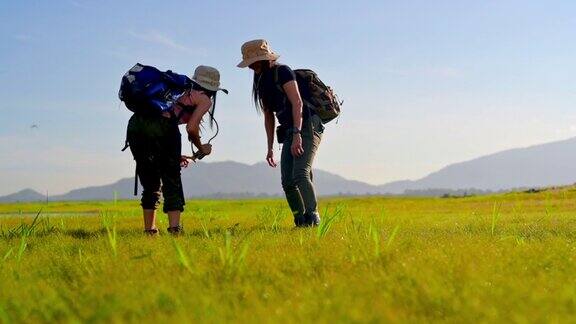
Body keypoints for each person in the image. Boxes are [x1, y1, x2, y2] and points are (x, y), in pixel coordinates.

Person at [126, 66, 225, 235]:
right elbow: (192, 129)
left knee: (150, 181)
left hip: (136, 125)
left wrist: (174, 155)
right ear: (213, 88)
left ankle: (149, 231)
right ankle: (175, 231)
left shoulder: (177, 88)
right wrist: (203, 149)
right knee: (172, 181)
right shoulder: (204, 98)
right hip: (164, 129)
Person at [238, 39, 324, 227]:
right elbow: (268, 115)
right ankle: (300, 220)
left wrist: (297, 135)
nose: (251, 67)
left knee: (301, 173)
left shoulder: (283, 72)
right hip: (288, 131)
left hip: (307, 124)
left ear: (264, 58)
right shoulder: (261, 82)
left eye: (254, 62)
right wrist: (269, 148)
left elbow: (298, 103)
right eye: (249, 64)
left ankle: (313, 217)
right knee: (287, 181)